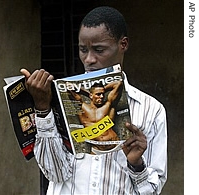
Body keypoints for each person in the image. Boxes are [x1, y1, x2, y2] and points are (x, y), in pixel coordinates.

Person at [21, 6, 167, 195]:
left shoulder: (151, 110)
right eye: (83, 50)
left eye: (99, 50)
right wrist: (42, 110)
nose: (89, 59)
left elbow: (152, 191)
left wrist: (136, 165)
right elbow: (54, 173)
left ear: (123, 44)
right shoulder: (59, 100)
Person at [67, 80, 123, 153]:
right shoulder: (82, 107)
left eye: (103, 94)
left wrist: (101, 89)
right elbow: (68, 86)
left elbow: (118, 83)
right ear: (91, 95)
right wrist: (88, 93)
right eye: (98, 94)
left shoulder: (108, 105)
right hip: (97, 150)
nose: (102, 96)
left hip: (115, 146)